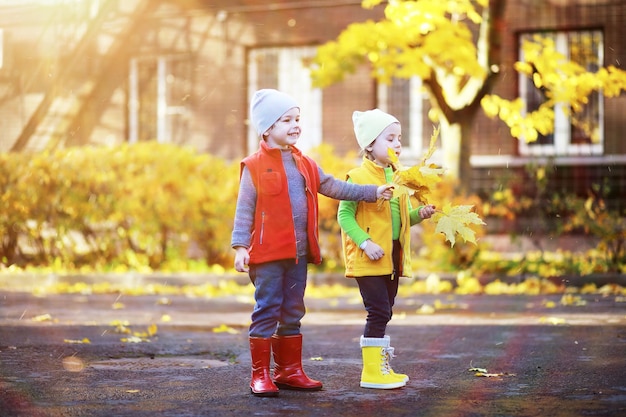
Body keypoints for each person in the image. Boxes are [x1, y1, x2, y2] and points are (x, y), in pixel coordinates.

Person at [231, 89, 394, 397]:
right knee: (267, 309)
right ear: (267, 128)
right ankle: (260, 374)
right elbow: (244, 209)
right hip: (267, 255)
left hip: (298, 255)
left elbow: (333, 185)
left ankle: (289, 370)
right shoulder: (253, 166)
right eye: (287, 120)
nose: (295, 125)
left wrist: (372, 192)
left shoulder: (306, 164)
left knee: (293, 310)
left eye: (297, 119)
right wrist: (241, 247)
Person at [337, 109, 436, 390]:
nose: (397, 144)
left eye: (399, 138)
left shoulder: (399, 177)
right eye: (389, 138)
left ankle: (379, 365)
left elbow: (401, 219)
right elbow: (344, 216)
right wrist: (365, 243)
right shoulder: (356, 177)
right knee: (378, 311)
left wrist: (420, 214)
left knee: (386, 310)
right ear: (369, 145)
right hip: (368, 256)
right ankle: (371, 373)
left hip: (393, 256)